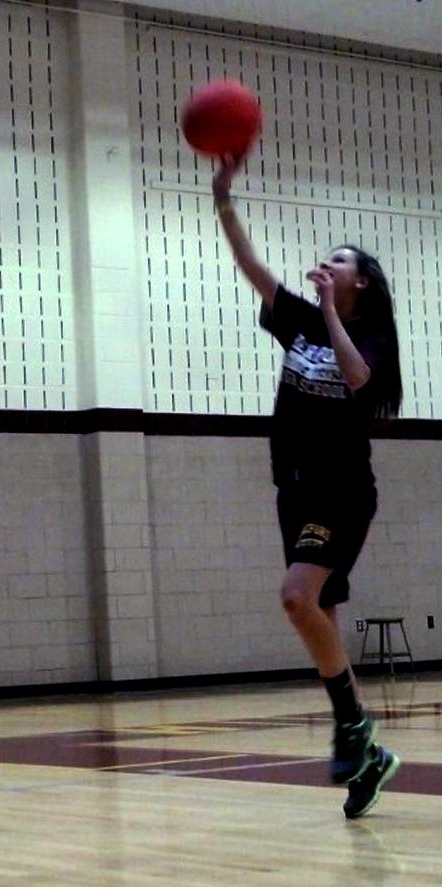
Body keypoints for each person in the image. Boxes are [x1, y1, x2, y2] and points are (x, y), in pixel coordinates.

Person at [212, 154, 402, 818]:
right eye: (328, 257)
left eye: (341, 260)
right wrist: (222, 195)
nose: (329, 262)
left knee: (296, 598)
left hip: (341, 489)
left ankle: (352, 727)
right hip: (292, 489)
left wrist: (326, 309)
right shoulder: (295, 318)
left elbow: (357, 381)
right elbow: (249, 266)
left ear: (363, 283)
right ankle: (367, 755)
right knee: (321, 620)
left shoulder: (371, 333)